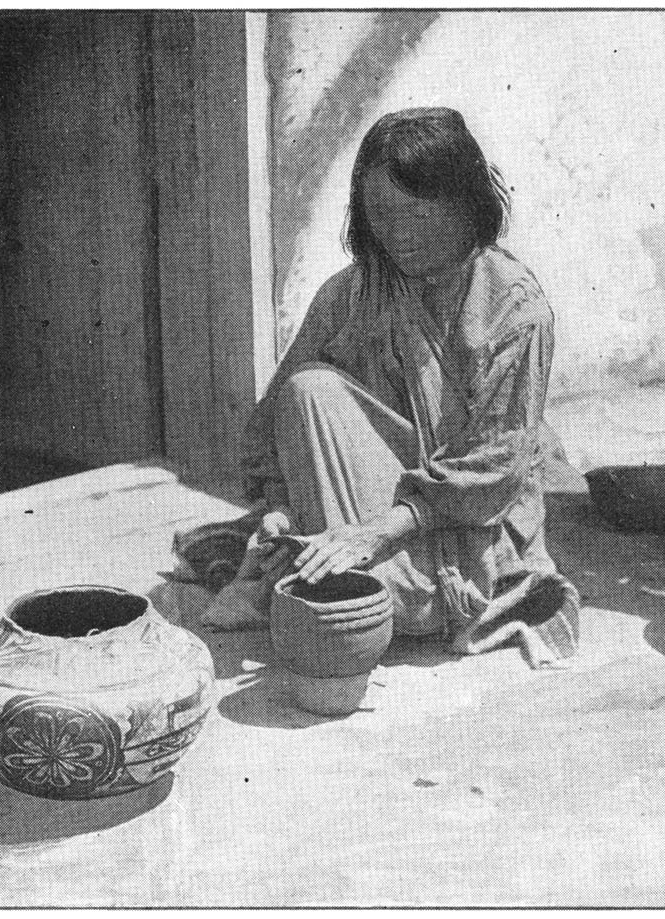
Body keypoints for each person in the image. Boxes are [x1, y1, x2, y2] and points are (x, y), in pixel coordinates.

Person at [218, 107, 578, 668]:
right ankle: (349, 586)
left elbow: (496, 471)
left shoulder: (514, 307)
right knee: (310, 390)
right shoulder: (353, 292)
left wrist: (374, 534)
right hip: (374, 520)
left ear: (464, 202)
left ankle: (366, 589)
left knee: (350, 597)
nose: (398, 235)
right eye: (381, 216)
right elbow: (269, 429)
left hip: (464, 536)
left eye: (416, 212)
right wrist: (281, 507)